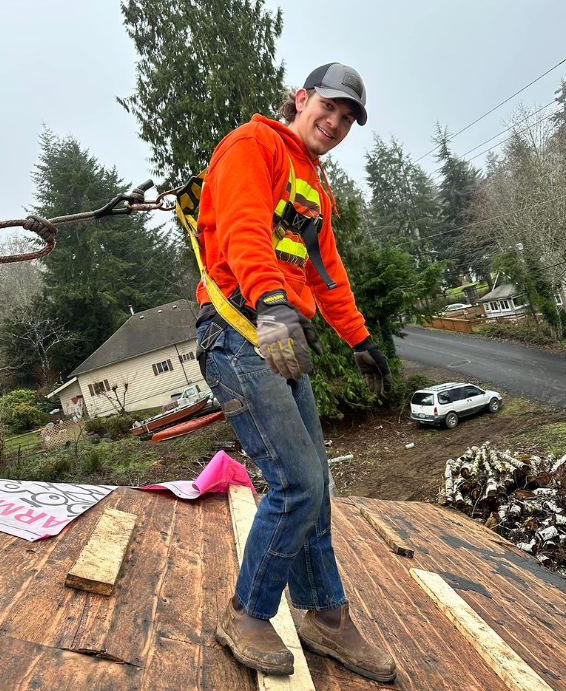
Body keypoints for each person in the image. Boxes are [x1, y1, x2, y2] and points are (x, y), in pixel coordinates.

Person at [194, 62, 396, 683]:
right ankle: (246, 613)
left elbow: (325, 272)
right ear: (301, 99)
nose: (333, 123)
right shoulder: (251, 146)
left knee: (319, 489)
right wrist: (271, 302)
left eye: (346, 119)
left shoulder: (316, 187)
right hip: (236, 330)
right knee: (296, 484)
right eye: (327, 108)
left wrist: (360, 338)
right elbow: (244, 230)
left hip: (285, 338)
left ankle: (323, 616)